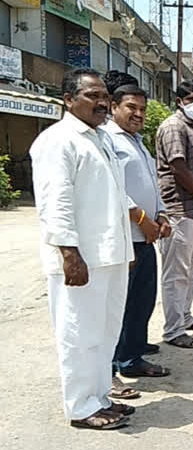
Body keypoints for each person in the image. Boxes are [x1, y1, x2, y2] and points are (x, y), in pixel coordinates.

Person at [31, 68, 134, 430]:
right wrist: (69, 253)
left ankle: (100, 396)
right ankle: (80, 406)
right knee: (78, 332)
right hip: (81, 257)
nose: (103, 102)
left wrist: (125, 252)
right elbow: (54, 202)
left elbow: (115, 199)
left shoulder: (100, 137)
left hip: (110, 255)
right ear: (68, 100)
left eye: (104, 95)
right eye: (92, 95)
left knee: (105, 331)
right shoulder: (58, 140)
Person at [105, 84, 172, 400]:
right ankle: (107, 373)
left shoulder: (138, 143)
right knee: (114, 310)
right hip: (124, 238)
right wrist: (142, 220)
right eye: (132, 107)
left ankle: (130, 359)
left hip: (146, 238)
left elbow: (152, 186)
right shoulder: (107, 140)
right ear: (114, 105)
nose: (139, 114)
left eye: (143, 109)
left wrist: (161, 215)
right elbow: (114, 188)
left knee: (141, 303)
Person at [156, 79, 193, 349]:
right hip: (179, 209)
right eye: (192, 98)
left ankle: (185, 317)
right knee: (176, 273)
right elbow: (179, 168)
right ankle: (172, 330)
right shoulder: (173, 127)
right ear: (179, 100)